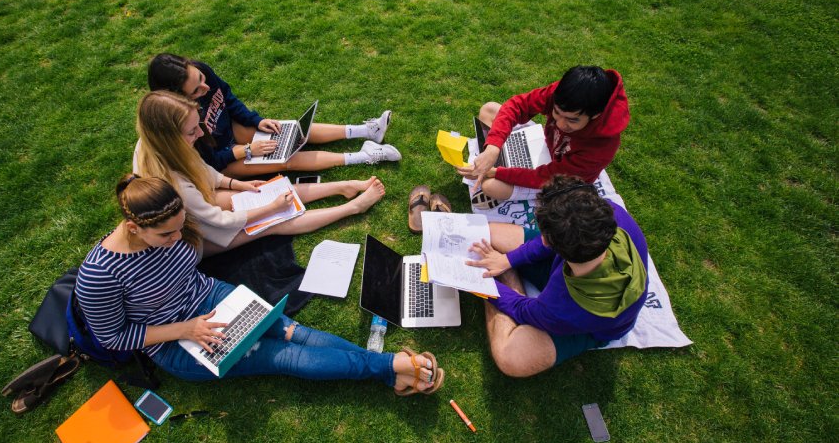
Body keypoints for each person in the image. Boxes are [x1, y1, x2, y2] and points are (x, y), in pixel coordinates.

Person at [74, 175, 445, 391]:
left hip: (212, 297)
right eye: (166, 235)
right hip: (175, 341)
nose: (177, 239)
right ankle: (387, 368)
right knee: (285, 356)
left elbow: (191, 270)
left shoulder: (171, 227)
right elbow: (113, 337)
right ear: (134, 229)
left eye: (179, 228)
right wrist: (186, 328)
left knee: (291, 330)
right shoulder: (100, 275)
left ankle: (388, 370)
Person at [133, 90, 386, 256]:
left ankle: (344, 186)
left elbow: (205, 171)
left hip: (200, 211)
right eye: (192, 132)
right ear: (169, 137)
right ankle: (353, 207)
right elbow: (219, 221)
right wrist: (270, 209)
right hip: (195, 240)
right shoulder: (173, 184)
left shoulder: (153, 144)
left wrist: (236, 184)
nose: (200, 134)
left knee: (264, 191)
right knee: (275, 221)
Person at [466, 175, 649, 376]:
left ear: (547, 241)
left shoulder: (562, 306)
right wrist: (507, 260)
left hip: (589, 325)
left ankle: (506, 278)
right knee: (486, 234)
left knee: (509, 359)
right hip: (573, 269)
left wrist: (479, 283)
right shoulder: (610, 214)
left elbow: (523, 310)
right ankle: (505, 270)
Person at [147, 53, 401, 177]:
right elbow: (209, 162)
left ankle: (367, 131)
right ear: (175, 98)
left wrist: (256, 121)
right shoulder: (176, 124)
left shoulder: (200, 72)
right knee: (284, 160)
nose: (205, 88)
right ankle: (364, 156)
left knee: (286, 130)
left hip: (230, 133)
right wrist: (247, 151)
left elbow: (226, 97)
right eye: (195, 91)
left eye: (202, 79)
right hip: (220, 162)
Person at [457, 65, 630, 202]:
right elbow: (518, 105)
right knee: (489, 109)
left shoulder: (602, 146)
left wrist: (497, 172)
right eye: (556, 113)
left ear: (596, 115)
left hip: (561, 179)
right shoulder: (563, 94)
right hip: (546, 147)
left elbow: (549, 176)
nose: (561, 124)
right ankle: (490, 161)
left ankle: (490, 169)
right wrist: (493, 147)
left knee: (490, 186)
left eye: (572, 120)